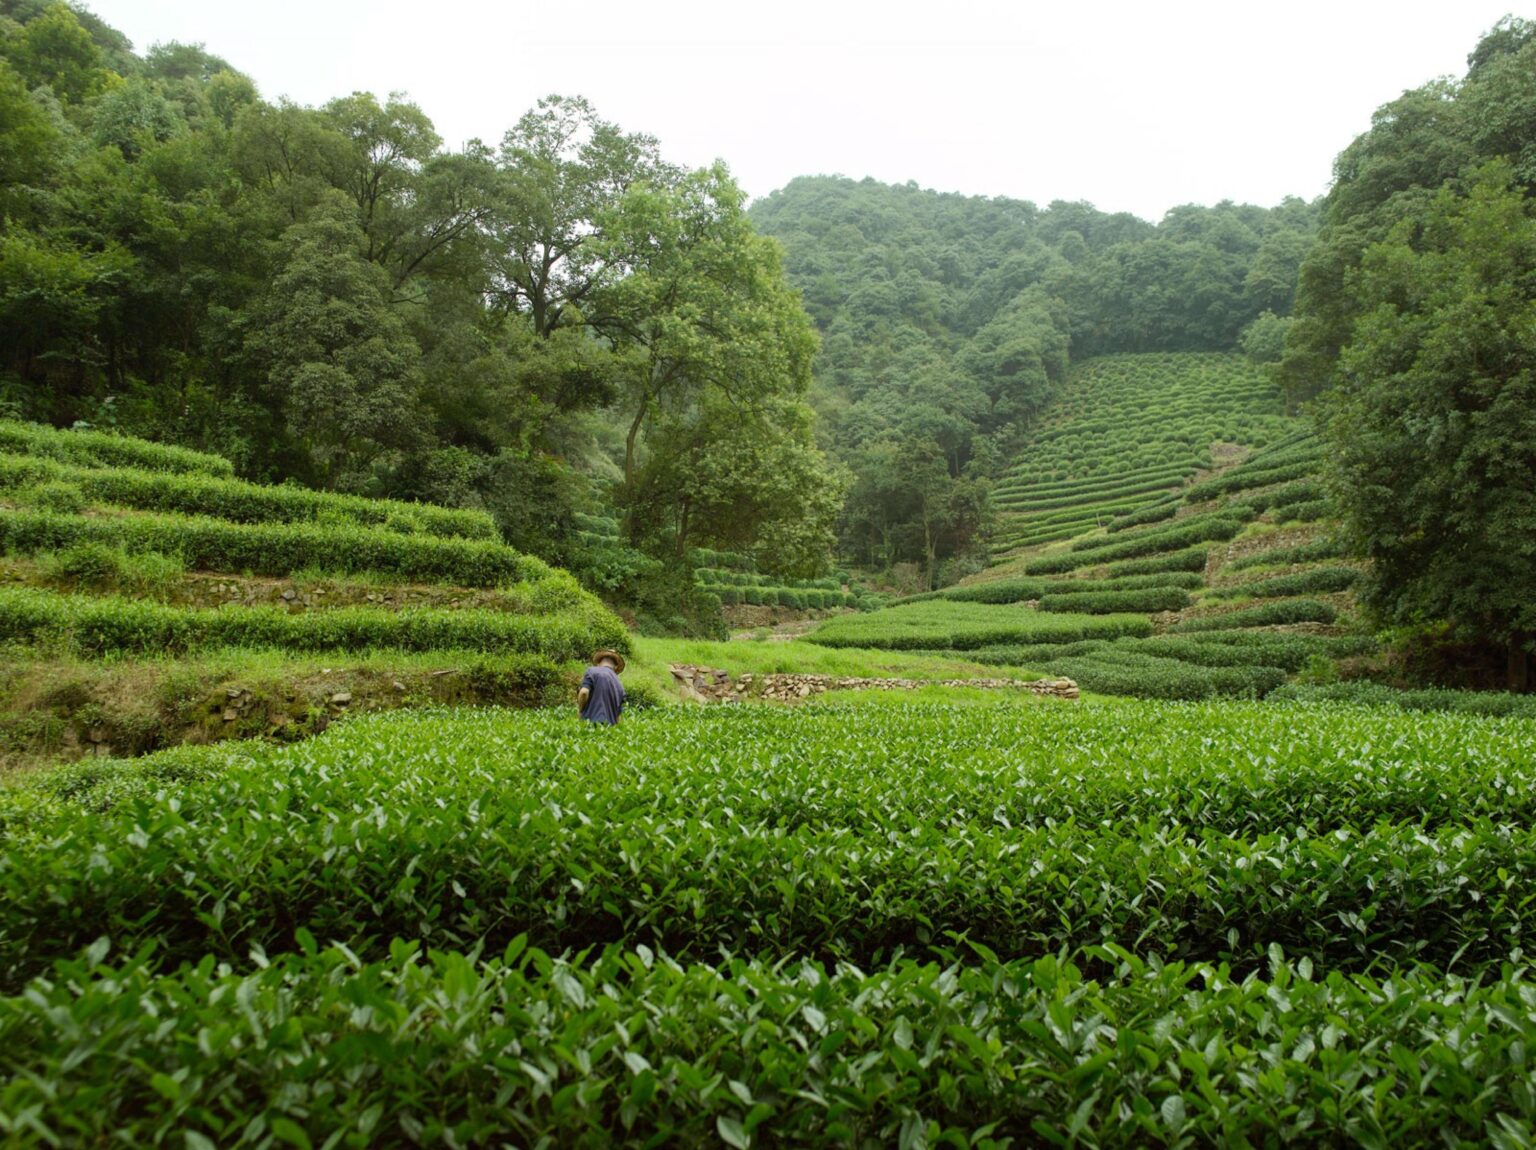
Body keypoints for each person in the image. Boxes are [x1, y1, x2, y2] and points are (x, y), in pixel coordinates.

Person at [577, 649, 626, 725]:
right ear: (616, 666)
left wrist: (580, 711)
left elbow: (584, 692)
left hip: (590, 726)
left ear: (599, 662)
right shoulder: (620, 685)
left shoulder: (592, 671)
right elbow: (618, 717)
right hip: (609, 730)